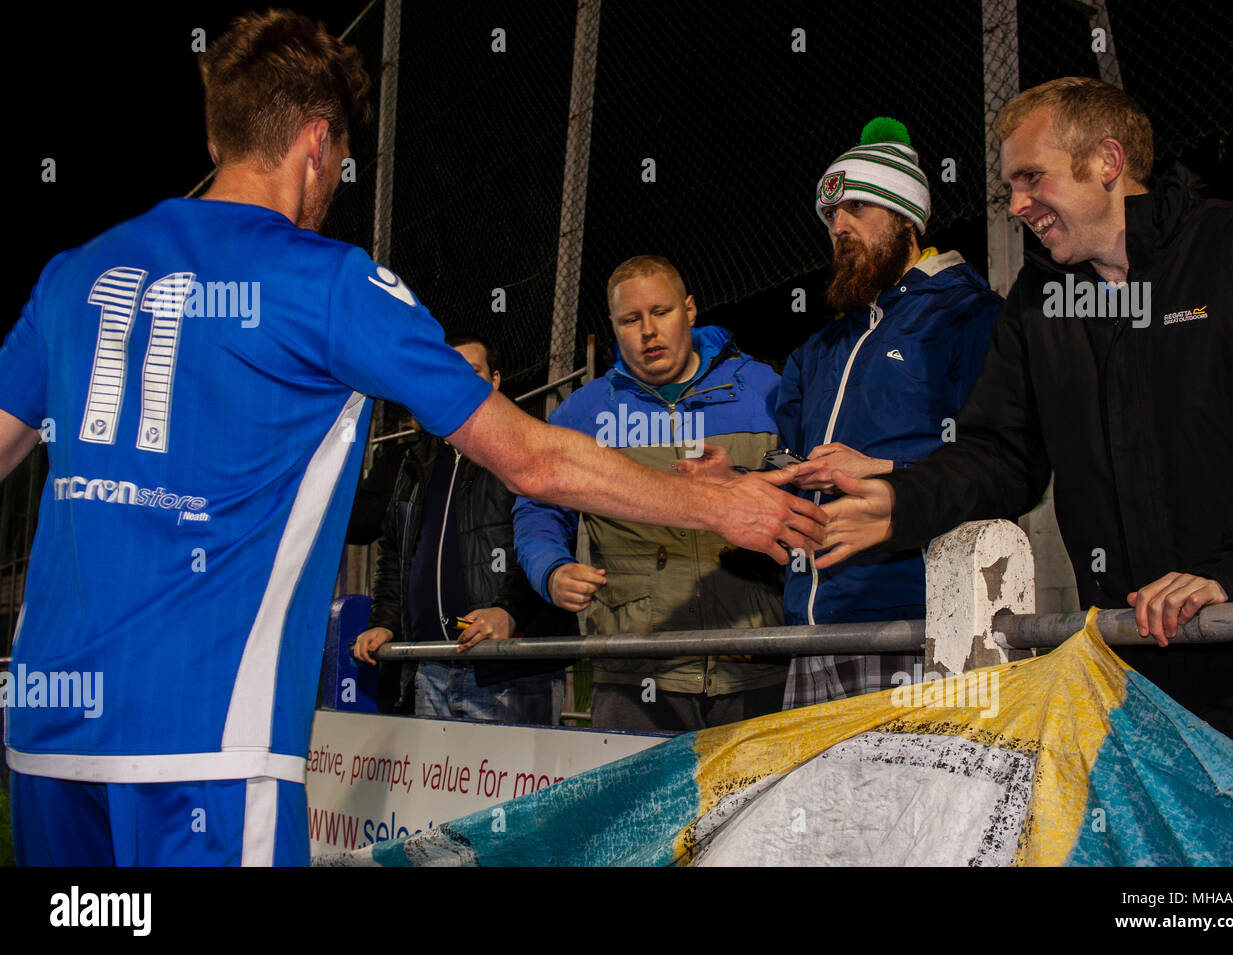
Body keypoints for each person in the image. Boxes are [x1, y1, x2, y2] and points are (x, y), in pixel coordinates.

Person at [0, 11, 823, 867]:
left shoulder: (72, 274)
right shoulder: (326, 282)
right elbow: (532, 456)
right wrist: (712, 502)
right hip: (205, 747)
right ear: (318, 143)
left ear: (219, 135)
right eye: (342, 163)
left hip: (47, 735)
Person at [813, 78, 1233, 752]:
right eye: (1010, 186)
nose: (1016, 205)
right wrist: (901, 501)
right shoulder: (1041, 302)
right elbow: (1000, 456)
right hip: (1132, 681)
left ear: (1107, 161)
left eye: (1031, 178)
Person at [681, 119, 1001, 708]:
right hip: (811, 625)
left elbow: (1000, 465)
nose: (839, 227)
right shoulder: (817, 350)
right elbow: (799, 466)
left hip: (917, 628)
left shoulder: (968, 315)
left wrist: (883, 467)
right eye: (830, 216)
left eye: (857, 207)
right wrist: (743, 480)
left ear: (906, 216)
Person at [512, 256, 790, 731]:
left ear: (690, 310)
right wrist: (551, 570)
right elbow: (536, 505)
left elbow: (804, 480)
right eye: (630, 320)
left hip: (758, 661)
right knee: (638, 808)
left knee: (762, 805)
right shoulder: (585, 412)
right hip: (635, 670)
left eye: (660, 312)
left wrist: (737, 479)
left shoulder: (764, 390)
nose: (648, 331)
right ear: (615, 328)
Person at [351, 333, 573, 724]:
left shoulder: (526, 447)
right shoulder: (414, 462)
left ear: (495, 380)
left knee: (516, 787)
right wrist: (385, 622)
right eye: (449, 372)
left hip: (507, 669)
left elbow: (545, 539)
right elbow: (394, 553)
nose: (460, 382)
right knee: (435, 787)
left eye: (473, 372)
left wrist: (509, 611)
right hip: (431, 666)